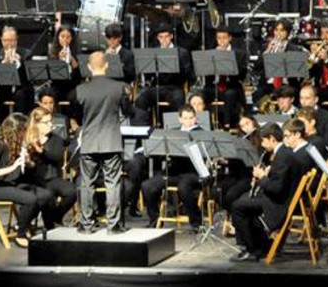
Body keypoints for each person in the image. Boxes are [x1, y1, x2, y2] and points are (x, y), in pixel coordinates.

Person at [229, 123, 302, 262]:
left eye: (263, 140)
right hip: (279, 199)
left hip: (279, 204)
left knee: (238, 206)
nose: (262, 144)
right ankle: (259, 246)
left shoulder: (283, 157)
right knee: (243, 200)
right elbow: (278, 180)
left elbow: (277, 189)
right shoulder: (283, 153)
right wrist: (265, 176)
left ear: (272, 138)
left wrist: (262, 177)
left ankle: (251, 249)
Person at [75, 51, 129, 234]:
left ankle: (86, 224)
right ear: (106, 65)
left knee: (86, 183)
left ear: (89, 67)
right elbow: (127, 111)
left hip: (89, 141)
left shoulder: (81, 89)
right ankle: (113, 226)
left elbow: (77, 117)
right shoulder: (119, 87)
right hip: (111, 141)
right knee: (112, 183)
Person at [0, 113, 49, 247]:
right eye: (24, 130)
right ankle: (21, 234)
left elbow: (26, 170)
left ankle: (21, 224)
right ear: (16, 131)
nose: (26, 133)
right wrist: (13, 167)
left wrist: (27, 161)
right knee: (30, 199)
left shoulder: (17, 144)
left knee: (45, 195)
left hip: (13, 183)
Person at [142, 107, 204, 230]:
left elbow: (203, 156)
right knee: (147, 185)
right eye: (185, 118)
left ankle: (196, 222)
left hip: (192, 173)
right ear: (180, 119)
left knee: (184, 187)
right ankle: (154, 219)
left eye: (191, 118)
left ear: (195, 118)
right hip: (174, 172)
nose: (188, 121)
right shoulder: (172, 132)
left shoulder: (200, 132)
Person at [132, 24, 194, 126]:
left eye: (166, 37)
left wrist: (175, 68)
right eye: (161, 37)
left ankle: (175, 129)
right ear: (157, 38)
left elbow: (188, 75)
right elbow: (148, 73)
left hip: (175, 88)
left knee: (178, 99)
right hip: (158, 87)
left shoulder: (182, 52)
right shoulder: (154, 52)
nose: (164, 40)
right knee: (141, 99)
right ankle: (142, 131)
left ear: (171, 36)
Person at [26, 106, 78, 229]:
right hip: (32, 179)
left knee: (72, 191)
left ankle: (56, 216)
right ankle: (45, 224)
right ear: (36, 124)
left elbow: (57, 156)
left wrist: (41, 151)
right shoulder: (27, 138)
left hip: (51, 177)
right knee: (45, 195)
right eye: (46, 122)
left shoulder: (56, 139)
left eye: (51, 121)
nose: (51, 125)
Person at [0, 26, 32, 117]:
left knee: (21, 95)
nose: (9, 43)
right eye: (6, 40)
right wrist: (3, 63)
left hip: (21, 88)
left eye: (12, 40)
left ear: (16, 40)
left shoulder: (26, 54)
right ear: (1, 40)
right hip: (3, 89)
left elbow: (28, 77)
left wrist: (19, 63)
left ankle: (21, 123)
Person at [204, 25, 247, 129]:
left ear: (229, 38)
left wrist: (227, 62)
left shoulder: (239, 54)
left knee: (230, 94)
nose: (221, 41)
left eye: (224, 38)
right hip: (215, 86)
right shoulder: (211, 53)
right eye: (219, 38)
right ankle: (206, 124)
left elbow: (242, 75)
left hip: (232, 86)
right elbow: (207, 76)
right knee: (203, 93)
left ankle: (227, 125)